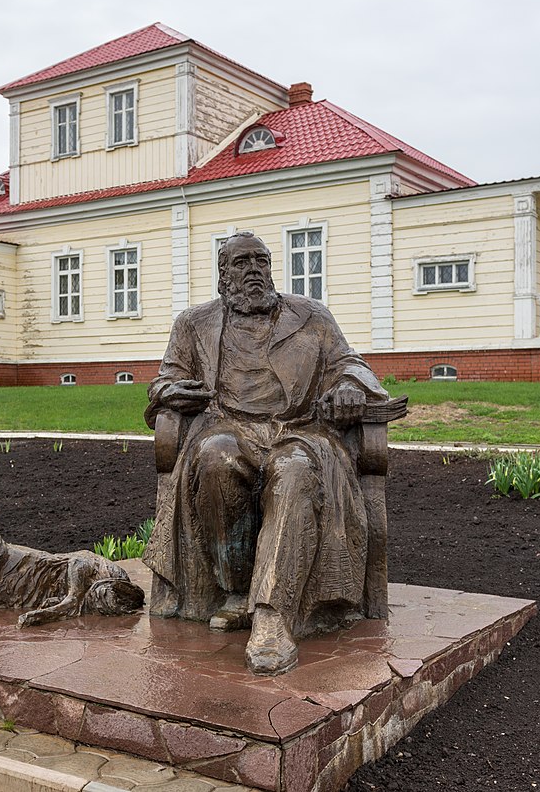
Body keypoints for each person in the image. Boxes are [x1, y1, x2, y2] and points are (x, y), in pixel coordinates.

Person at [143, 231, 389, 675]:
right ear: (223, 274)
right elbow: (165, 379)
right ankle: (237, 591)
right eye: (242, 262)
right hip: (228, 428)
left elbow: (350, 364)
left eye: (261, 260)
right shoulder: (194, 324)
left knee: (293, 472)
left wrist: (350, 386)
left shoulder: (311, 315)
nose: (254, 270)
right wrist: (170, 392)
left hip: (301, 430)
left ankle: (273, 615)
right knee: (214, 458)